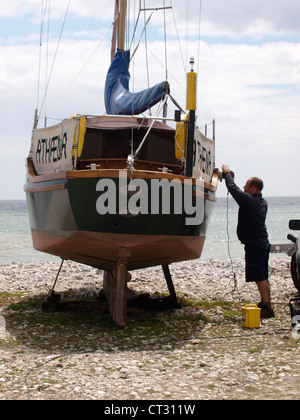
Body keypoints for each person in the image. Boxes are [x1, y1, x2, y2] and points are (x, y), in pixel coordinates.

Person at [222, 164, 275, 318]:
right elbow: (238, 191)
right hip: (261, 243)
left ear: (254, 188)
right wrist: (230, 178)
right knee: (262, 276)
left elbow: (233, 189)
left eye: (247, 184)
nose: (244, 186)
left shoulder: (250, 201)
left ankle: (267, 307)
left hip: (256, 245)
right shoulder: (262, 202)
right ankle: (265, 303)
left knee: (260, 277)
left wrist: (226, 173)